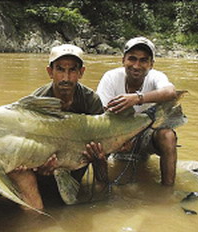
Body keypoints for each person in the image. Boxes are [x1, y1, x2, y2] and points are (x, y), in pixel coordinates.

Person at [9, 44, 109, 209]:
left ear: (81, 72)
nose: (66, 78)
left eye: (72, 71)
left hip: (78, 160)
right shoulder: (36, 101)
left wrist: (100, 157)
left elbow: (105, 138)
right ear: (50, 72)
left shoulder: (91, 101)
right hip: (46, 163)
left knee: (102, 166)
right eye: (60, 70)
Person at [96, 36, 178, 186]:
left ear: (151, 64)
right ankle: (101, 188)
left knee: (168, 136)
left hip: (146, 133)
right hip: (116, 132)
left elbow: (171, 92)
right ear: (123, 60)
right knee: (96, 141)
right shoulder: (111, 77)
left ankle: (168, 191)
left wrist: (138, 98)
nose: (136, 65)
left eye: (143, 60)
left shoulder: (156, 77)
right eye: (132, 59)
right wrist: (121, 139)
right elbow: (101, 115)